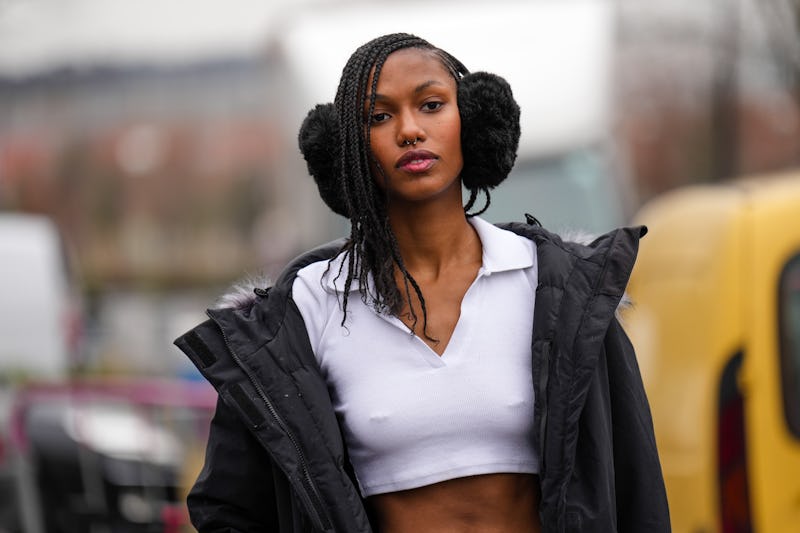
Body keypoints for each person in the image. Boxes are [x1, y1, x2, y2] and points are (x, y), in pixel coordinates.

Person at [175, 33, 670, 533]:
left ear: (473, 121)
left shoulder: (563, 290)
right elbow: (230, 511)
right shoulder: (303, 311)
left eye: (431, 105)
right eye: (378, 116)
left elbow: (636, 487)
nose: (410, 130)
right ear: (347, 148)